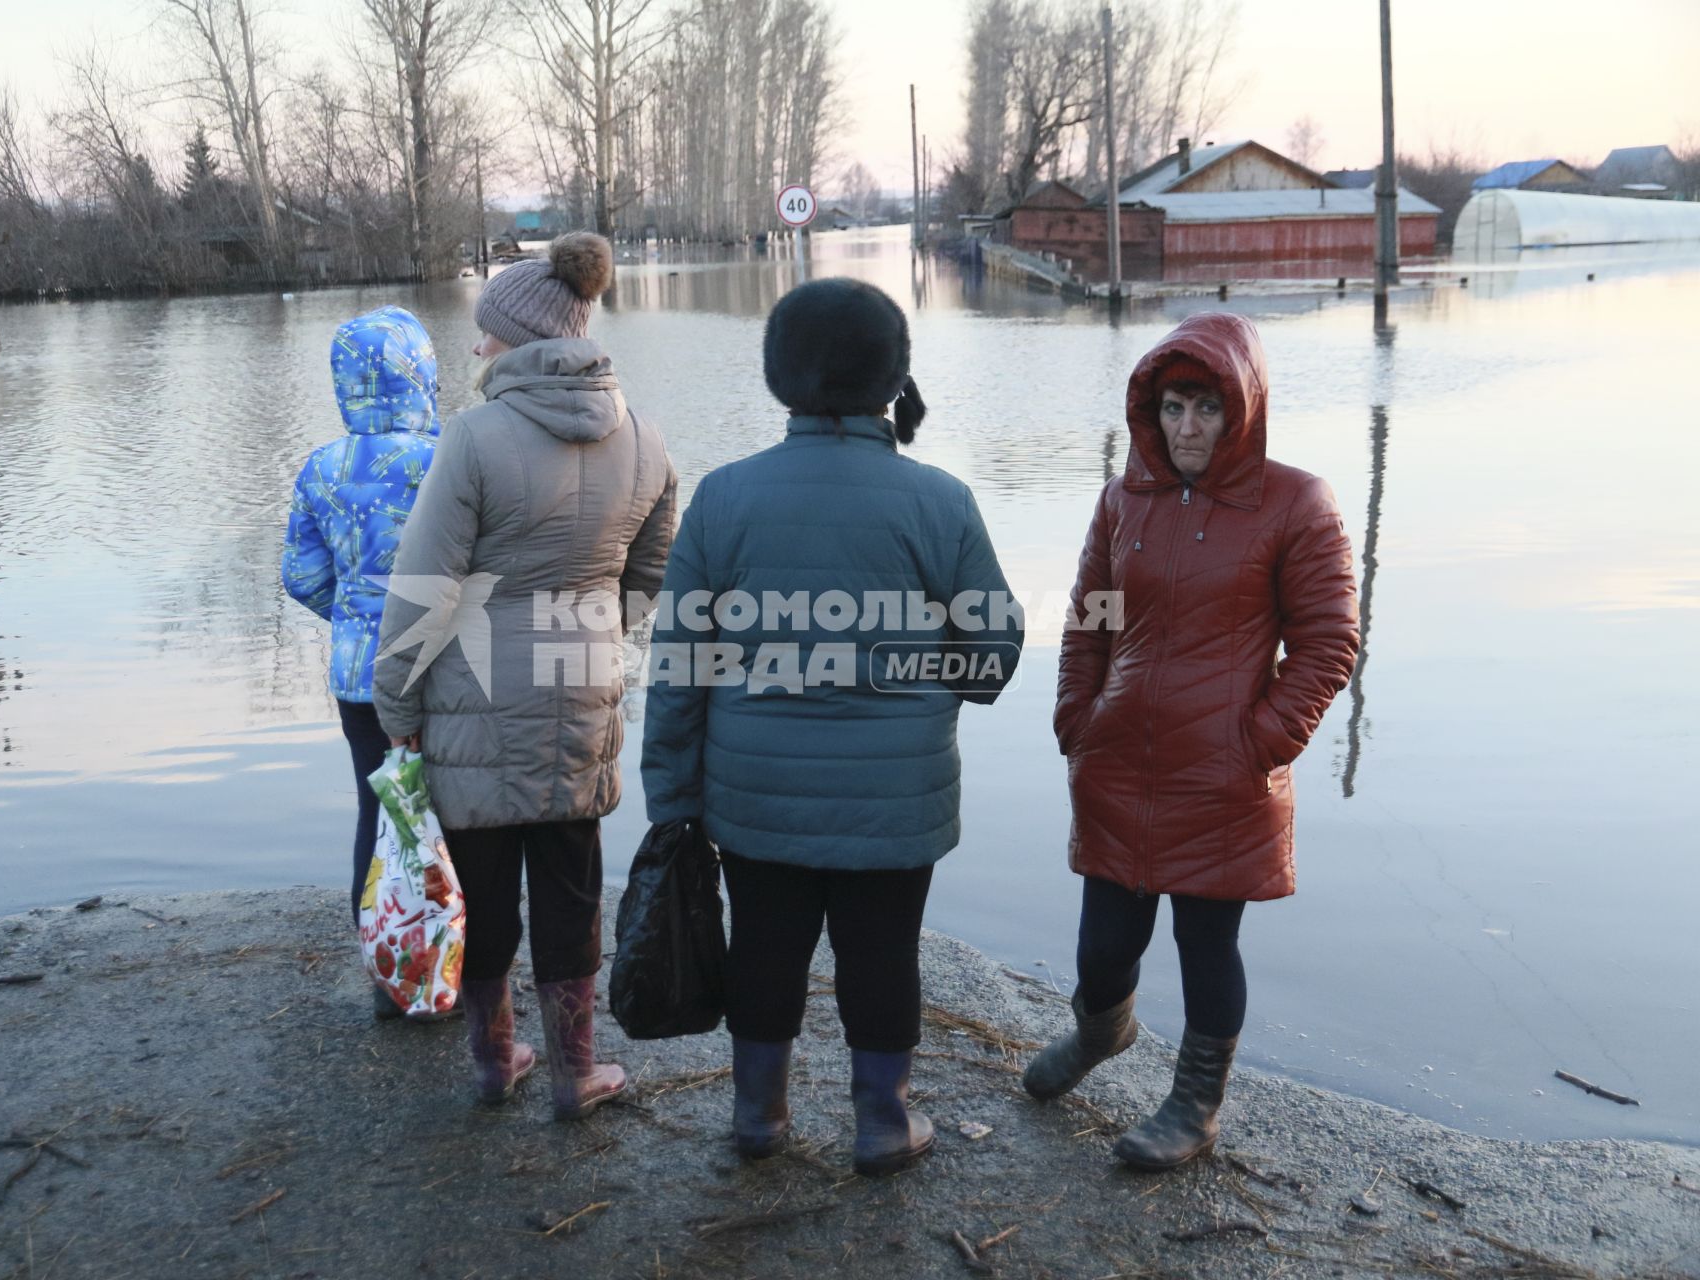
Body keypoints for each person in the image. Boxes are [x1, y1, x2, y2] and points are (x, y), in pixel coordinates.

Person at [642, 279, 1023, 1177]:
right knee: (883, 958)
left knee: (764, 950)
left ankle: (757, 1119)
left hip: (753, 794)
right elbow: (994, 653)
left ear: (783, 379)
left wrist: (674, 798)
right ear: (894, 381)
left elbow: (678, 665)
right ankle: (882, 1124)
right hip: (896, 801)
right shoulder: (940, 501)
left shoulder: (725, 498)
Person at [1025, 311, 1359, 1170]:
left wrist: (1260, 741)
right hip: (1117, 764)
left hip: (1223, 777)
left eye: (1207, 409)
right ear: (1152, 410)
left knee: (1206, 946)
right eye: (1174, 408)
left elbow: (1328, 643)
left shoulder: (1296, 502)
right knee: (1103, 946)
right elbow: (1089, 619)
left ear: (1242, 410)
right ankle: (1104, 1032)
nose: (1187, 429)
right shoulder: (1121, 497)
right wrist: (1078, 717)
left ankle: (1196, 1105)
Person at [373, 232, 677, 1120]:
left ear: (519, 339)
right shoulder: (648, 441)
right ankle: (577, 1075)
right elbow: (648, 579)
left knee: (486, 890)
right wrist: (587, 641)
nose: (475, 347)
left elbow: (425, 589)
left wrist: (395, 706)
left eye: (486, 332)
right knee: (573, 886)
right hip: (582, 697)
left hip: (472, 705)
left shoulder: (471, 439)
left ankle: (495, 1061)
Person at [282, 305, 442, 1020]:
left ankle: (387, 978)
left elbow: (301, 575)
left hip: (359, 677)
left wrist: (354, 618)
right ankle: (452, 966)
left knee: (377, 814)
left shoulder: (321, 468)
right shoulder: (449, 457)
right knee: (453, 820)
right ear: (424, 372)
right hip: (445, 667)